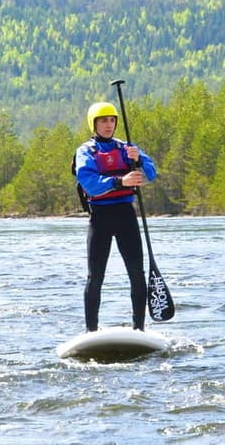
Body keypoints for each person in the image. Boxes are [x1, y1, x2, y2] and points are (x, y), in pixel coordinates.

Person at [74, 101, 157, 332]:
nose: (108, 125)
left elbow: (152, 173)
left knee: (137, 274)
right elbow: (90, 184)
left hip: (125, 215)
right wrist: (121, 181)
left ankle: (139, 329)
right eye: (103, 120)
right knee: (96, 276)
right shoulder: (85, 152)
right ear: (94, 124)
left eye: (112, 120)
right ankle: (91, 331)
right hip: (100, 217)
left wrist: (138, 159)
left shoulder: (127, 148)